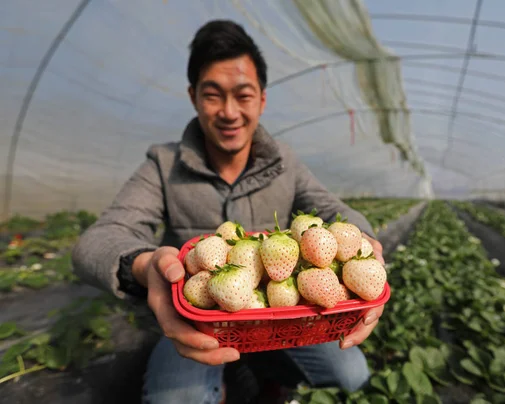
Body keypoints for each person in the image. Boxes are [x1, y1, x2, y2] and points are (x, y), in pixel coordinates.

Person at [72, 19, 385, 404]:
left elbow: (332, 209)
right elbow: (97, 240)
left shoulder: (285, 163)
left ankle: (270, 375)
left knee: (351, 374)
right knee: (176, 400)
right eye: (213, 95)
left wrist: (364, 243)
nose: (229, 112)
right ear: (193, 97)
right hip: (200, 314)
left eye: (243, 95)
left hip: (280, 312)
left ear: (262, 100)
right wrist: (143, 265)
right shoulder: (163, 164)